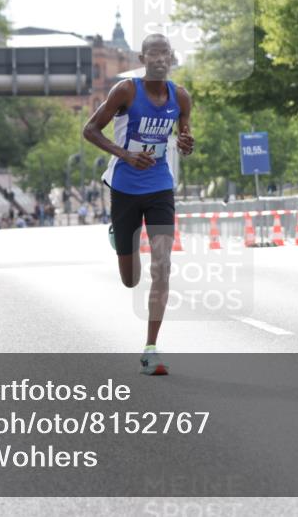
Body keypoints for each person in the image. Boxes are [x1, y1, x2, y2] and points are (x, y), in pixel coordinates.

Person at [82, 33, 193, 375]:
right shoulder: (126, 91)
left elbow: (184, 136)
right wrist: (126, 155)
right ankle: (121, 238)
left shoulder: (181, 96)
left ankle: (150, 349)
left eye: (165, 54)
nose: (160, 59)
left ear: (171, 59)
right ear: (143, 59)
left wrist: (187, 142)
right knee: (130, 279)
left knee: (162, 264)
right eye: (153, 54)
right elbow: (90, 130)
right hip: (125, 187)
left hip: (160, 185)